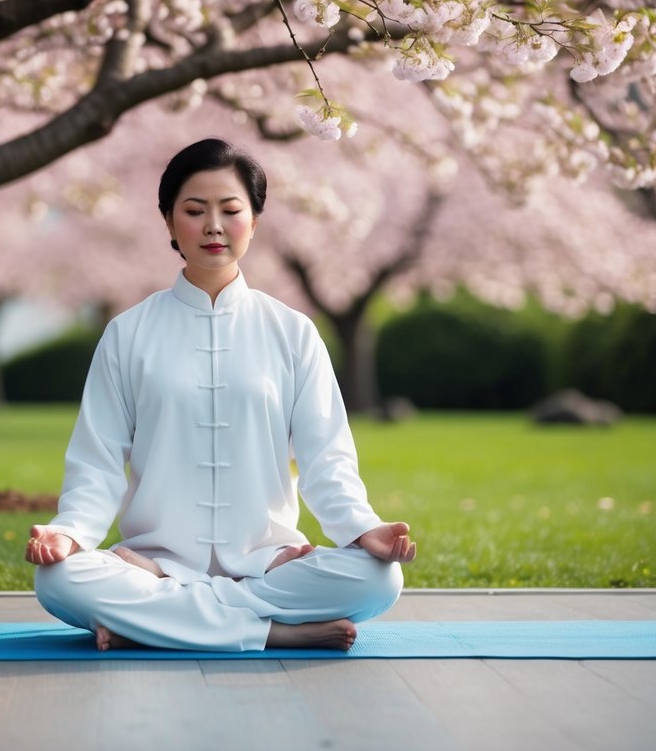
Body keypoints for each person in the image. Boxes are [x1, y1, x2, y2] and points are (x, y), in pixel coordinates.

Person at [26, 138, 416, 652]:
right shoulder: (128, 333)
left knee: (379, 579)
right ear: (168, 222)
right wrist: (69, 534)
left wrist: (364, 529)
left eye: (231, 210)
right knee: (57, 580)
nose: (213, 226)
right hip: (152, 565)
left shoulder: (293, 333)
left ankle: (152, 628)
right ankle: (274, 633)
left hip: (269, 565)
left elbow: (327, 461)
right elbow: (97, 465)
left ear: (254, 221)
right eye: (194, 210)